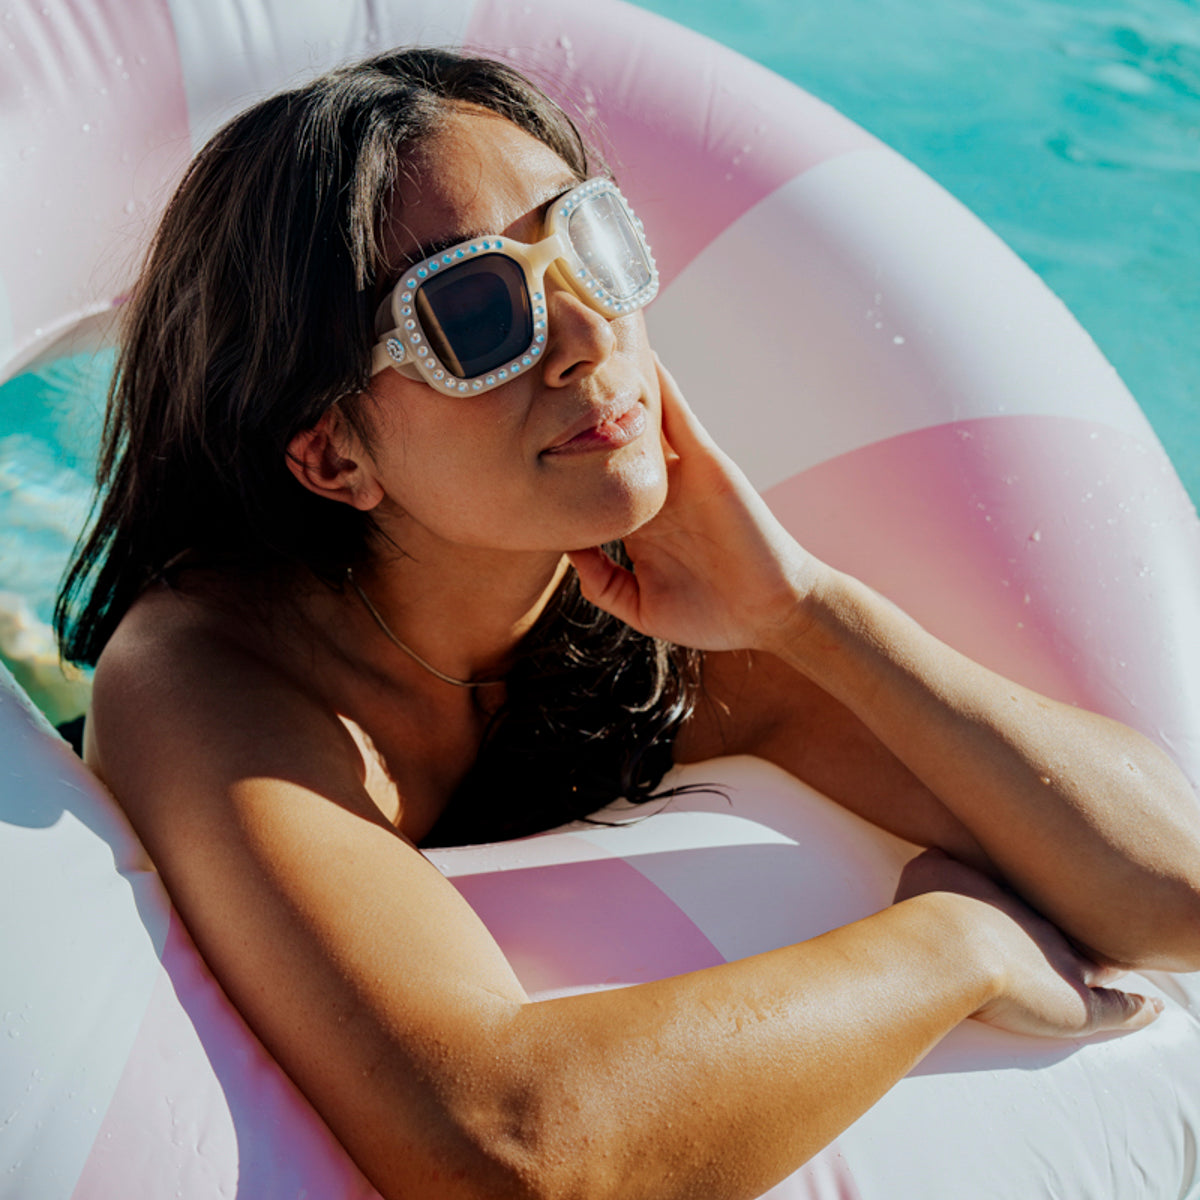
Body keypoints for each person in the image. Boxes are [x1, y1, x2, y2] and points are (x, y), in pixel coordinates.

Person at [56, 47, 1200, 1200]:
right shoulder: (206, 679)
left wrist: (805, 606)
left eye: (591, 243)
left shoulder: (645, 622)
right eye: (474, 309)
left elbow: (1176, 898)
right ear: (332, 453)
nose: (591, 335)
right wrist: (956, 945)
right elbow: (506, 1147)